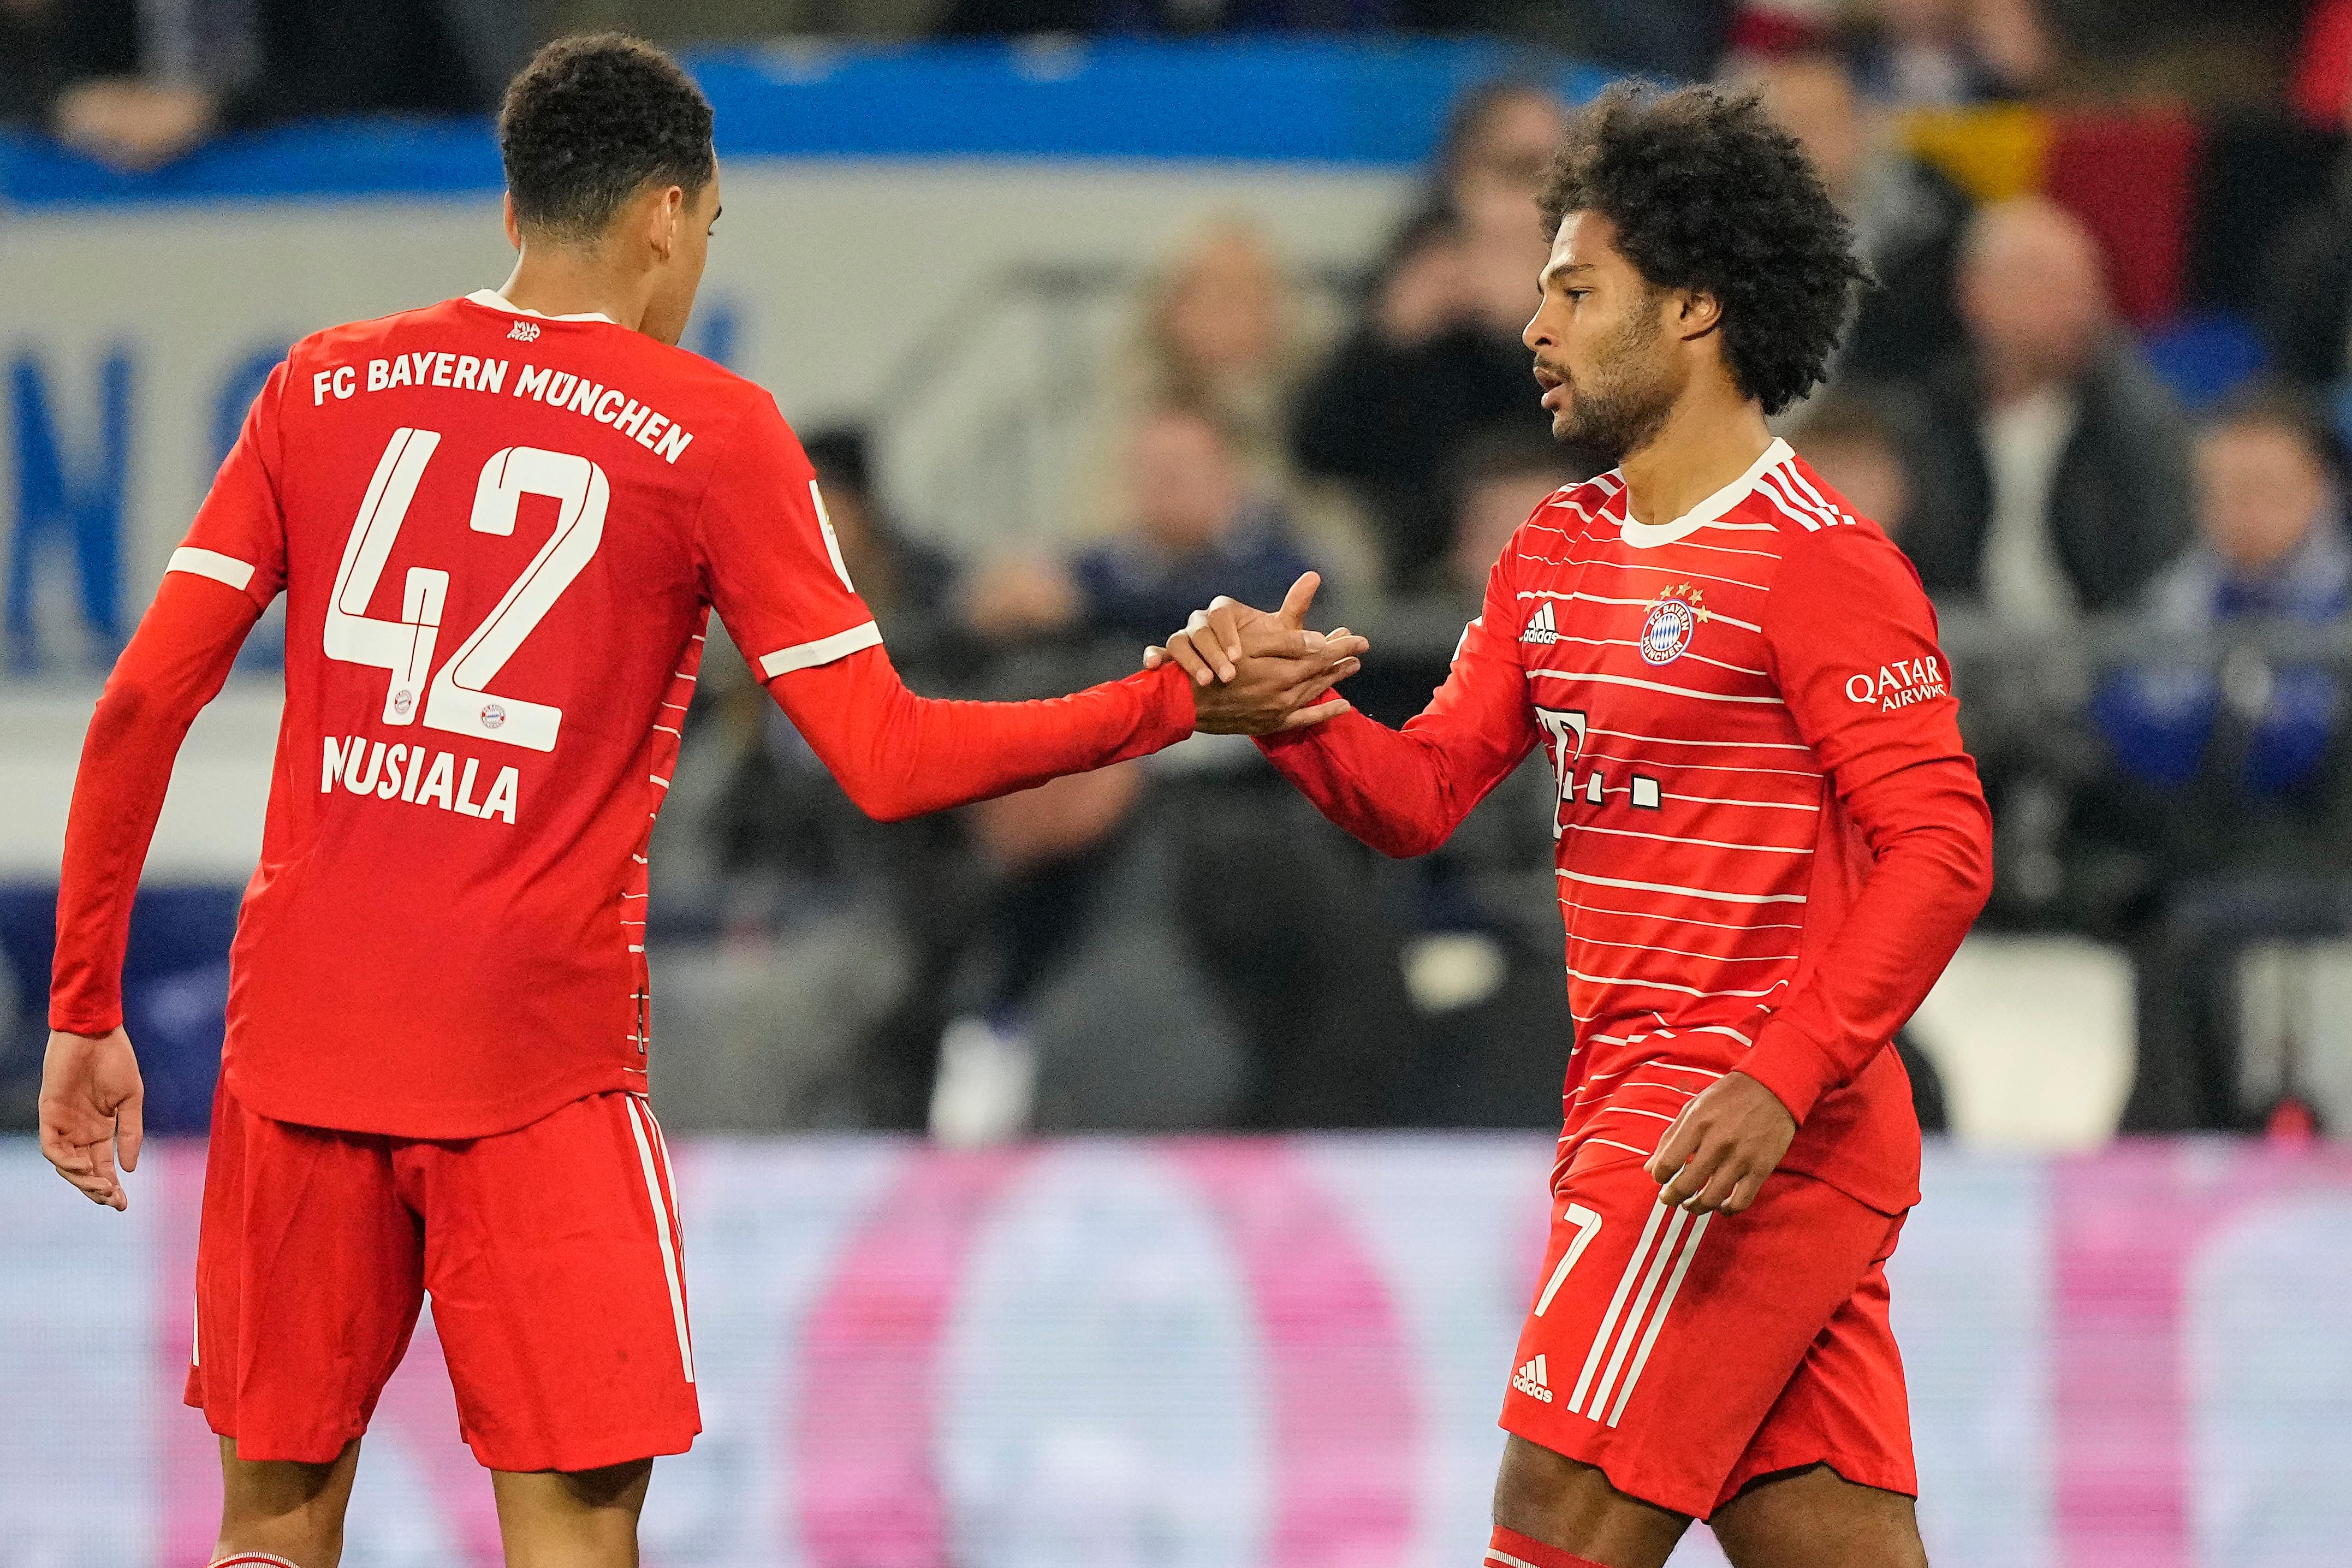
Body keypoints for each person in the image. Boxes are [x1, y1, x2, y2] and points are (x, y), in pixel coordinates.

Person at [34, 35, 1364, 1566]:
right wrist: (1171, 699)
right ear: (666, 215)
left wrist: (85, 1005)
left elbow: (141, 702)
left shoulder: (322, 383)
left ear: (522, 203)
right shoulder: (713, 433)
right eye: (711, 228)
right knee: (577, 1530)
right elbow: (888, 757)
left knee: (269, 1527)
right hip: (528, 1068)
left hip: (300, 1047)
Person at [1153, 81, 1992, 1567]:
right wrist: (1293, 717)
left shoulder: (1817, 565)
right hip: (1657, 1113)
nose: (1533, 326)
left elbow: (1943, 847)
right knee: (1831, 1539)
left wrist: (1779, 1080)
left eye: (1574, 289)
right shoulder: (1553, 549)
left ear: (1691, 311)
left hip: (1726, 1123)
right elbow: (1418, 798)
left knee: (1551, 1513)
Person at [1291, 80, 1567, 590]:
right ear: (1463, 176)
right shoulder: (1415, 271)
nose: (1531, 198)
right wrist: (1386, 343)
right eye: (1516, 171)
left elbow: (1630, 446)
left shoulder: (1607, 284)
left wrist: (1527, 334)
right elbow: (1319, 450)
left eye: (1556, 173)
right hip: (1422, 576)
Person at [1895, 196, 2195, 623]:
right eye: (2045, 283)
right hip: (1951, 656)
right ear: (1974, 293)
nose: (2076, 305)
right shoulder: (1929, 417)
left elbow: (2159, 570)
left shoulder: (2140, 423)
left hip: (2099, 657)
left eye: (2086, 283)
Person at [1726, 44, 1973, 385]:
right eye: (1791, 125)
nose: (1805, 142)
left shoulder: (1934, 229)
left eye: (1829, 120)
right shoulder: (1723, 245)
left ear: (1863, 125)